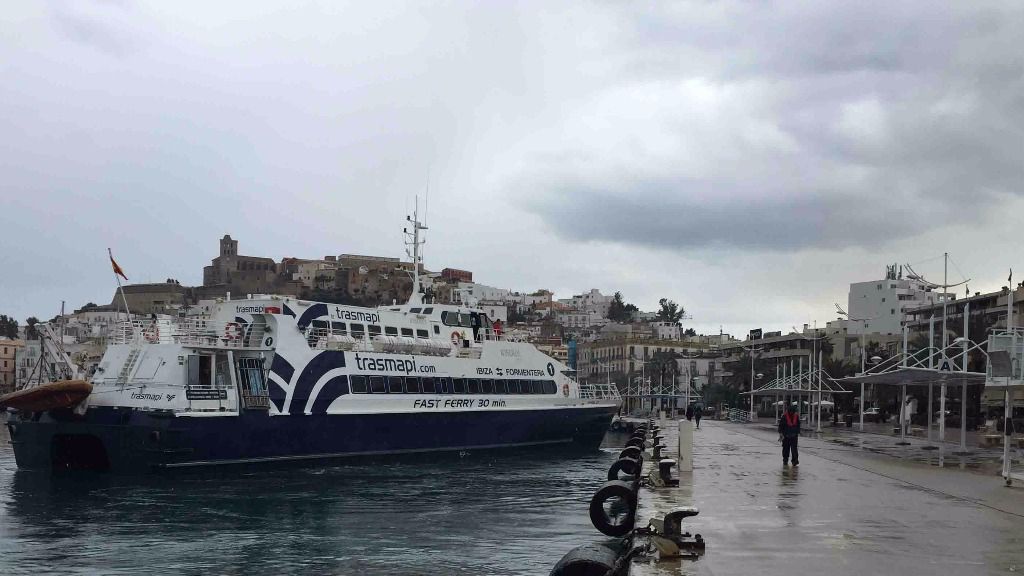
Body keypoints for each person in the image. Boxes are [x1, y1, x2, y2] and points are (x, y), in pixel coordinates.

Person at [778, 402, 800, 466]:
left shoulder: (796, 416)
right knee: (785, 449)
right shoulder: (784, 416)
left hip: (794, 436)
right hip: (786, 436)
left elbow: (798, 425)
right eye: (790, 411)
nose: (791, 413)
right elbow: (781, 426)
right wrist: (781, 433)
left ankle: (795, 461)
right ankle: (785, 460)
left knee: (794, 449)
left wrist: (797, 432)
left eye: (793, 411)